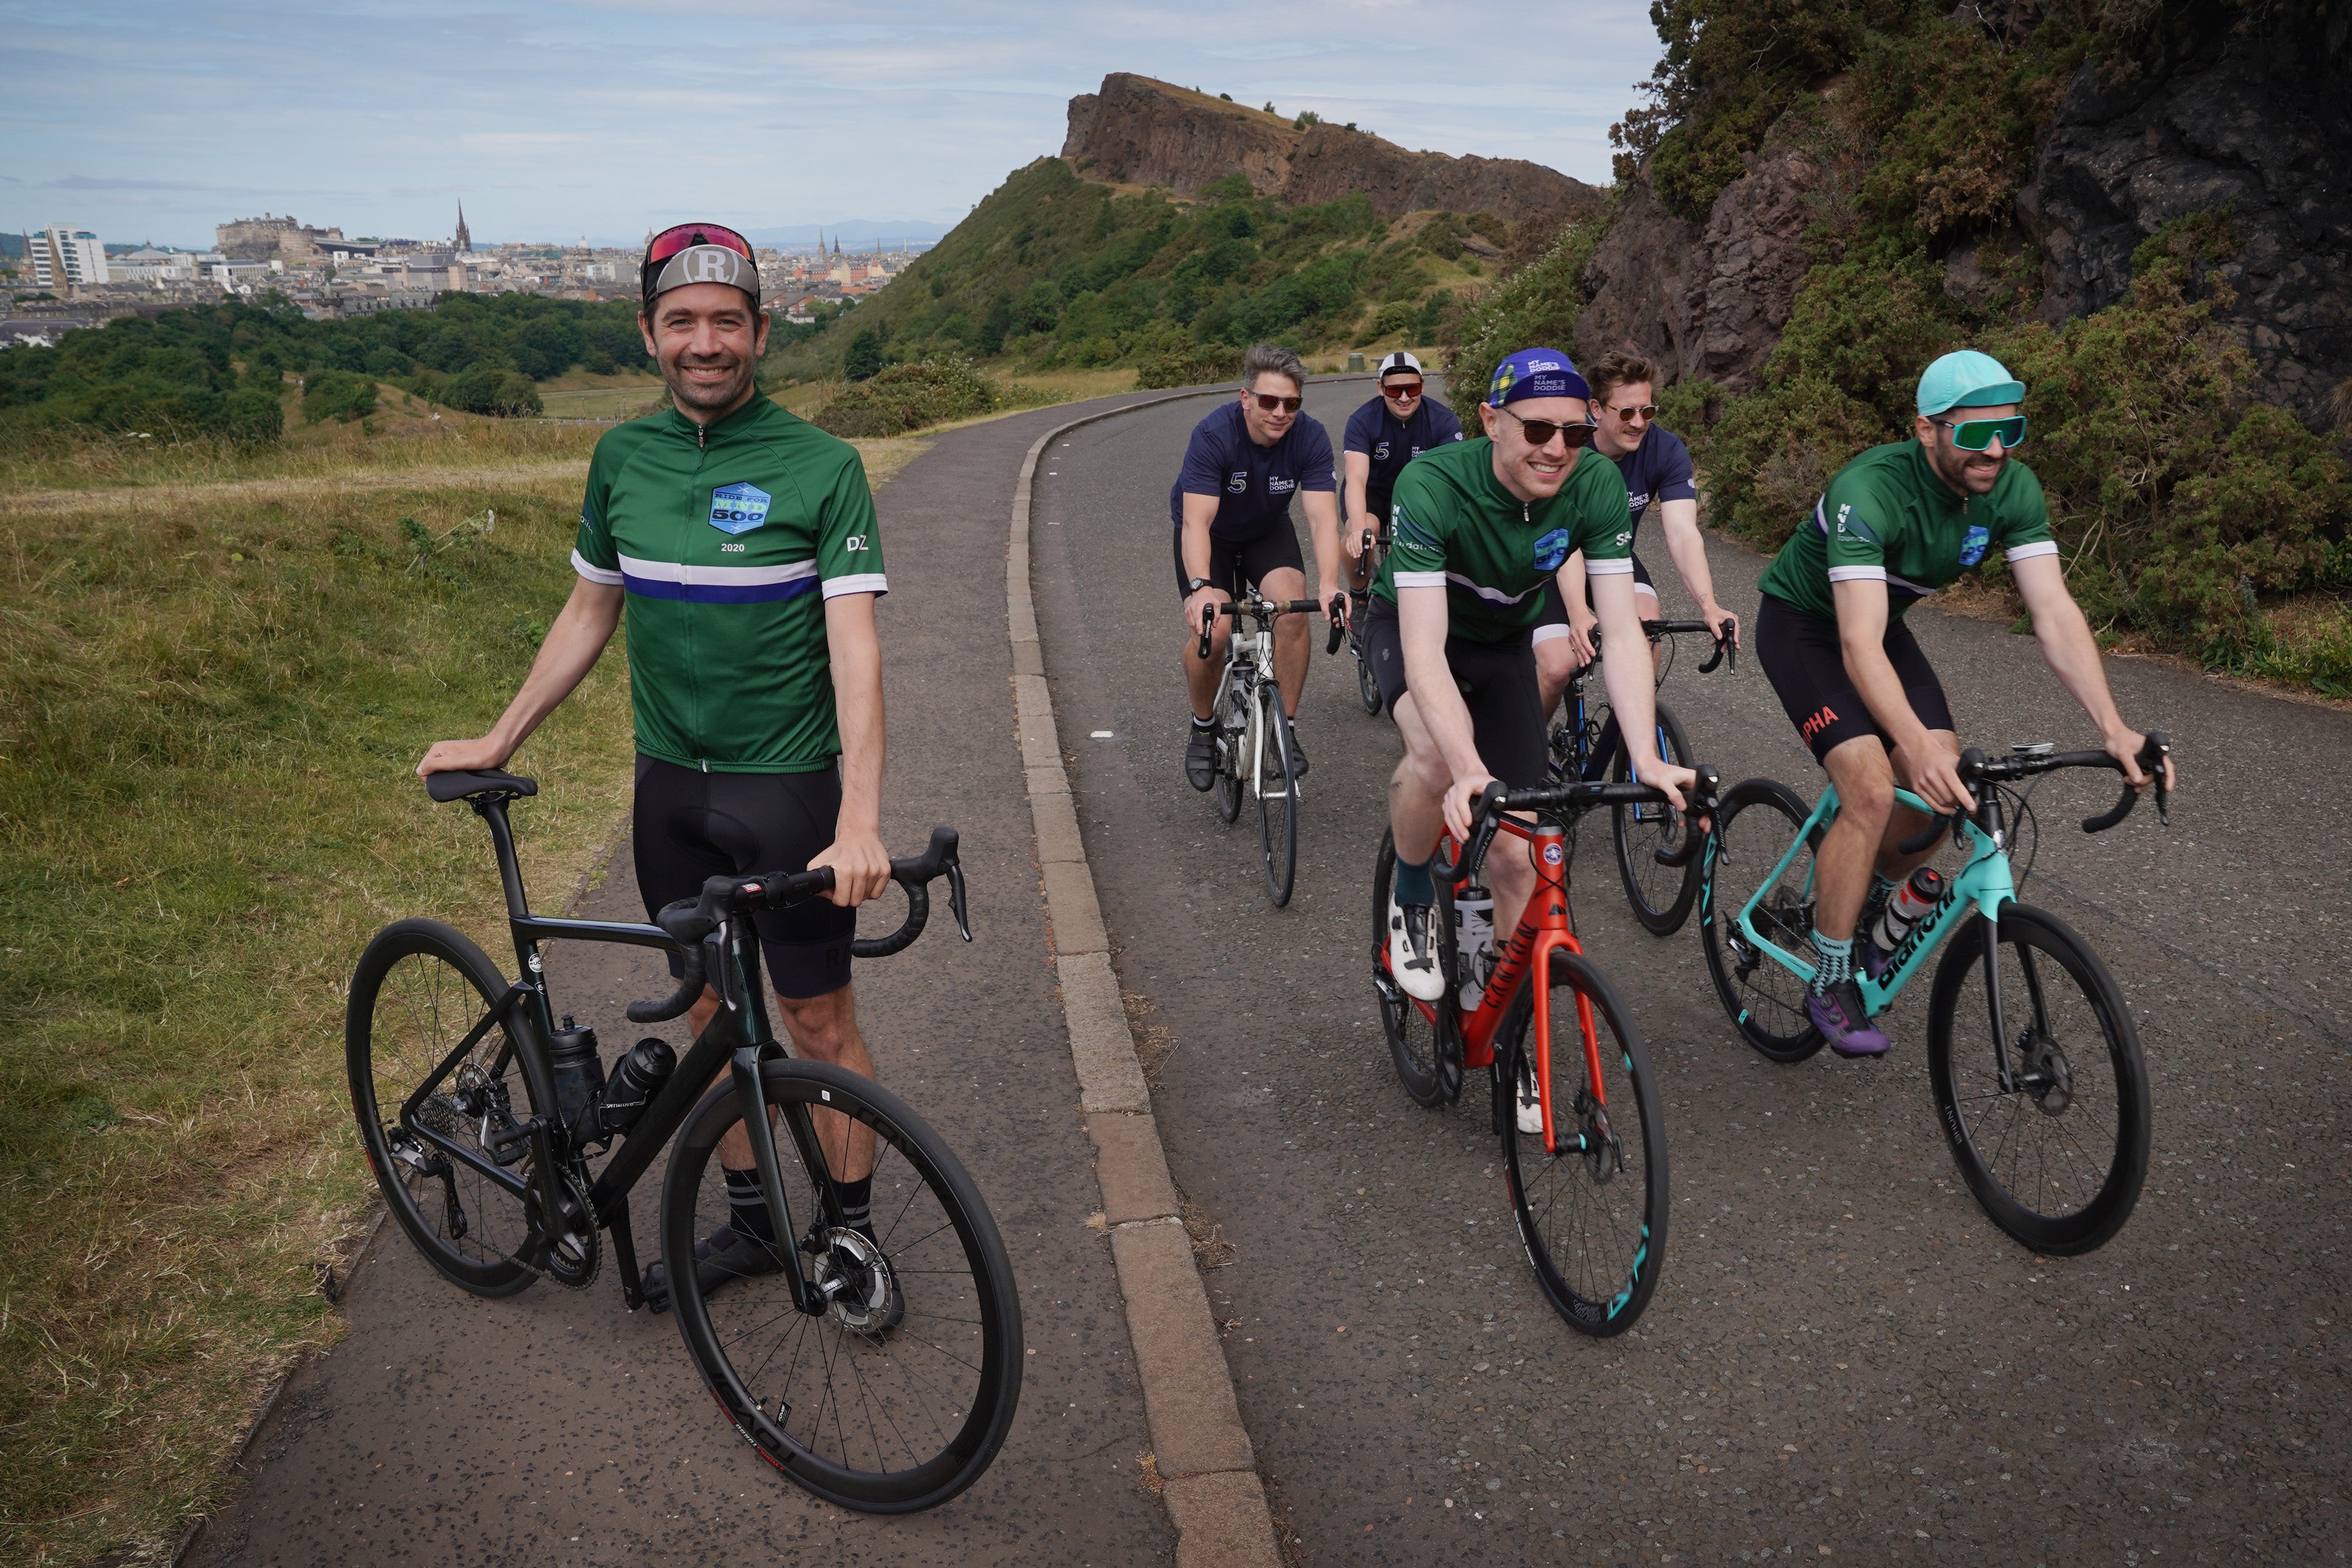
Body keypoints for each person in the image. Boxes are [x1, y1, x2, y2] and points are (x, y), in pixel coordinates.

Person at [417, 221, 897, 1316]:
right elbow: (592, 604)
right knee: (708, 1015)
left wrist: (859, 817)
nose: (704, 342)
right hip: (669, 791)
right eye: (681, 321)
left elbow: (856, 651)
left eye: (726, 320)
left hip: (788, 789)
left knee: (817, 1024)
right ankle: (751, 1220)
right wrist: (502, 736)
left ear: (761, 332)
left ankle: (851, 1236)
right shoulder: (622, 458)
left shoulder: (822, 467)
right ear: (648, 335)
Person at [1753, 349, 2173, 1058]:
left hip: (1881, 629)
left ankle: (1860, 908)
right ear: (1927, 430)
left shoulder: (2012, 488)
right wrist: (1906, 744)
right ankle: (1829, 977)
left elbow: (2054, 612)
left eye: (2011, 430)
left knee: (1942, 793)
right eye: (1976, 434)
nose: (1997, 448)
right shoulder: (1871, 489)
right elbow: (1857, 645)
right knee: (1869, 788)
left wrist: (2114, 726)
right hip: (1808, 629)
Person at [1366, 347, 1699, 1037]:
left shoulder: (1596, 484)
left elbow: (1623, 632)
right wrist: (1468, 771)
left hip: (1501, 644)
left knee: (1522, 851)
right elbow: (1425, 648)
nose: (1557, 449)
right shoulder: (1431, 484)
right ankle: (1410, 894)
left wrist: (1647, 757)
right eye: (1537, 430)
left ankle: (1514, 1030)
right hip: (1415, 626)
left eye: (1575, 434)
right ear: (1491, 420)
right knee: (1434, 759)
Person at [1536, 346, 1736, 715]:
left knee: (1648, 635)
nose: (1639, 422)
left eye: (1647, 411)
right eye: (1626, 412)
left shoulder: (1665, 448)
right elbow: (1565, 542)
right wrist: (1579, 612)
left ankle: (1628, 740)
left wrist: (1709, 605)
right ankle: (1529, 757)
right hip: (1552, 558)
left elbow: (1682, 533)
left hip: (1612, 553)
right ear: (1595, 410)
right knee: (1555, 669)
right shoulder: (1569, 450)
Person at [1176, 343, 1343, 785]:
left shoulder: (1309, 436)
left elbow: (1323, 518)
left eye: (1290, 403)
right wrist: (1199, 588)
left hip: (1265, 531)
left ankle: (1282, 730)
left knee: (1290, 611)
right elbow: (1195, 523)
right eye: (1268, 401)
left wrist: (1329, 584)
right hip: (1211, 536)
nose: (1279, 412)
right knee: (1213, 628)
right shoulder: (1214, 435)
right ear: (1245, 398)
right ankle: (1202, 725)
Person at [1341, 351, 1463, 591]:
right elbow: (1355, 479)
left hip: (1420, 496)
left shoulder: (1443, 421)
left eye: (1412, 389)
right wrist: (1357, 530)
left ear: (1423, 385)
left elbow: (1452, 483)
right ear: (1380, 388)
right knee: (1362, 536)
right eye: (1395, 391)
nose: (1405, 398)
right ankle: (1358, 594)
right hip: (1372, 493)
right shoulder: (1362, 420)